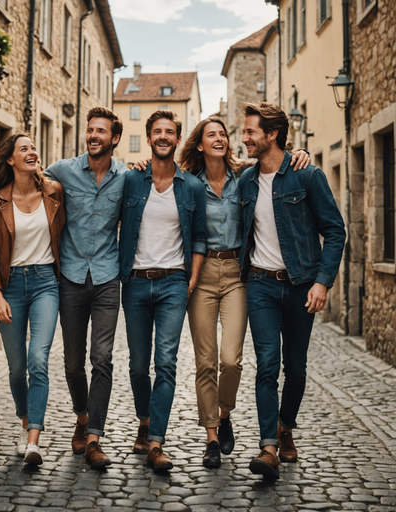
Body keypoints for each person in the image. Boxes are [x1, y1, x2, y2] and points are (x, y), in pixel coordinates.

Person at [137, 118, 310, 468]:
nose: (218, 138)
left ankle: (225, 412)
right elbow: (159, 174)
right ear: (199, 144)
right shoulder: (188, 183)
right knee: (205, 360)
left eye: (222, 134)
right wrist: (142, 163)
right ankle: (212, 437)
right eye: (210, 135)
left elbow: (276, 166)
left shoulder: (244, 177)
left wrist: (299, 155)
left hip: (237, 274)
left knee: (231, 359)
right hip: (199, 275)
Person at [0, 107, 127, 470]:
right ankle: (52, 416)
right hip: (38, 283)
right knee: (41, 367)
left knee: (62, 360)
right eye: (89, 129)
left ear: (114, 139)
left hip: (68, 280)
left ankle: (60, 438)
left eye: (101, 131)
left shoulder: (106, 180)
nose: (93, 135)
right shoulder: (43, 182)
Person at [238, 102, 346, 479]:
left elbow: (334, 231)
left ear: (272, 135)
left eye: (250, 131)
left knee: (295, 369)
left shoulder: (307, 176)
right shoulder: (246, 181)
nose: (244, 137)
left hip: (301, 285)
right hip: (260, 285)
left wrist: (322, 281)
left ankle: (286, 427)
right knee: (266, 364)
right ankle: (268, 446)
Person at [119, 110, 207, 472]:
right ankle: (144, 420)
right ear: (149, 136)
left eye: (169, 131)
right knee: (139, 366)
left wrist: (191, 279)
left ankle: (156, 442)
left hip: (174, 282)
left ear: (177, 138)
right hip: (136, 282)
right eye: (157, 131)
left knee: (165, 364)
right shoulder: (131, 181)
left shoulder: (192, 187)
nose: (163, 137)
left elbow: (200, 238)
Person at [0, 133, 65, 465]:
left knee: (38, 361)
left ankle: (33, 441)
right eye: (23, 148)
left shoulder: (53, 191)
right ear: (11, 160)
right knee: (16, 370)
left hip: (45, 283)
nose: (32, 151)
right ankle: (25, 421)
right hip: (10, 286)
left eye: (33, 147)